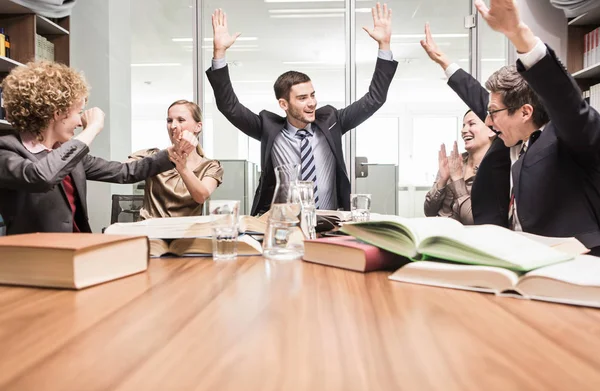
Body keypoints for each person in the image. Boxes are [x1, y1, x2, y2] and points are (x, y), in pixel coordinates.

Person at [421, 0, 600, 255]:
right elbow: (482, 99)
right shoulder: (513, 132)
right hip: (505, 252)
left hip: (569, 260)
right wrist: (444, 62)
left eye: (492, 114)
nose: (488, 122)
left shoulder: (569, 138)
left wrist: (518, 35)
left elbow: (566, 102)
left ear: (525, 113)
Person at [205, 4, 398, 216]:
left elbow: (374, 99)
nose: (312, 103)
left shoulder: (333, 121)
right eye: (302, 98)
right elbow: (229, 107)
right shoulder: (268, 128)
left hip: (329, 222)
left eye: (313, 95)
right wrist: (219, 53)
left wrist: (384, 46)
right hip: (284, 224)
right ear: (283, 104)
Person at [0, 60, 195, 235]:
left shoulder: (70, 153)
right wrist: (92, 129)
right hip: (34, 261)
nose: (79, 122)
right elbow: (41, 176)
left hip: (76, 251)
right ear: (57, 113)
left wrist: (175, 152)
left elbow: (126, 172)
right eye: (79, 112)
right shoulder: (7, 150)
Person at [129, 100, 224, 219]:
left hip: (186, 233)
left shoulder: (211, 166)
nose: (173, 126)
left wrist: (182, 168)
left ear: (198, 126)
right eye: (169, 121)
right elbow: (122, 170)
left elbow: (201, 196)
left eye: (181, 120)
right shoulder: (153, 156)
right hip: (151, 232)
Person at [424, 111, 495, 224]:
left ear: (491, 130)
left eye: (471, 124)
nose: (463, 130)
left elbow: (474, 221)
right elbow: (429, 212)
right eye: (463, 126)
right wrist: (442, 181)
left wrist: (457, 179)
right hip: (440, 234)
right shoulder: (453, 162)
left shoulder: (495, 170)